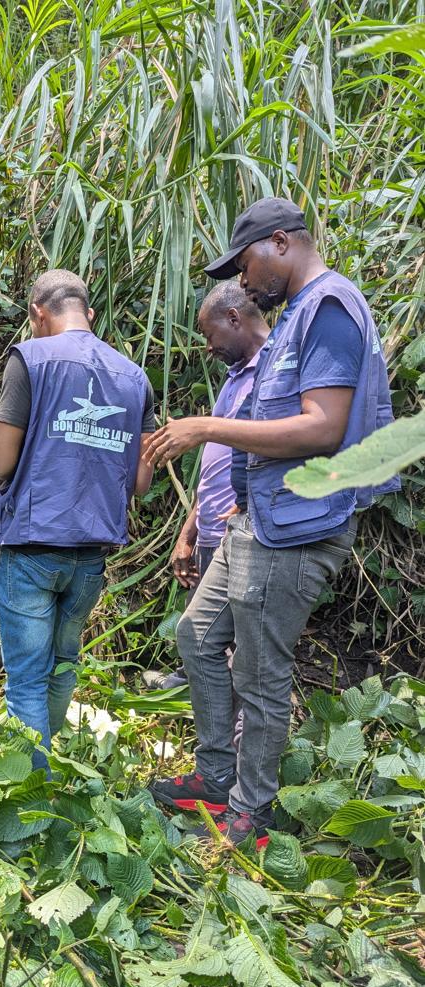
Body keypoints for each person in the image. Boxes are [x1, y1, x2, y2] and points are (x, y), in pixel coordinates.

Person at [142, 197, 398, 848]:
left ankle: (250, 819)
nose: (244, 282)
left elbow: (323, 425)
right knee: (197, 637)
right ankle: (215, 775)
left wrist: (204, 428)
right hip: (257, 518)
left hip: (297, 526)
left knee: (258, 673)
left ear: (279, 243)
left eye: (246, 264)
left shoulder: (330, 307)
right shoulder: (294, 317)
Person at [0, 270, 156, 771]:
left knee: (27, 682)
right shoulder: (133, 376)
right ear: (89, 314)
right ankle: (50, 760)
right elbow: (141, 484)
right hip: (91, 557)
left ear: (38, 313)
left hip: (35, 549)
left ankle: (34, 790)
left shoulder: (29, 359)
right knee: (63, 666)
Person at [142, 282, 268, 693]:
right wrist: (187, 533)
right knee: (204, 635)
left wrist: (248, 508)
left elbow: (275, 448)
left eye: (210, 335)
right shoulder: (235, 377)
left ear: (234, 318)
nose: (208, 348)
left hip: (246, 533)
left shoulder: (273, 369)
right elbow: (215, 468)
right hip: (212, 531)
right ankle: (196, 697)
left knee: (237, 646)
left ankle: (234, 738)